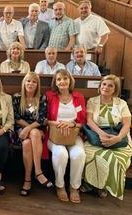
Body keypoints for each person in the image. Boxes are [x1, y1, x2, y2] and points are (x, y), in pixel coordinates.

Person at [82, 75, 132, 200]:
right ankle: (90, 183)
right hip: (97, 135)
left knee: (114, 159)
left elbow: (127, 124)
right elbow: (89, 121)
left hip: (119, 137)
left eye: (110, 85)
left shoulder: (122, 104)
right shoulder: (92, 101)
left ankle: (103, 185)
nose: (106, 87)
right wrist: (101, 134)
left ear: (115, 89)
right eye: (104, 84)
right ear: (100, 86)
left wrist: (118, 138)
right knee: (90, 154)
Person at [46, 69, 86, 203]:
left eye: (65, 78)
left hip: (74, 135)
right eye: (59, 79)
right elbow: (43, 119)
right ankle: (60, 185)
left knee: (79, 154)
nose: (62, 81)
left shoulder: (78, 97)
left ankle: (74, 187)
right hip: (55, 136)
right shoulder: (50, 96)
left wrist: (72, 124)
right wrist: (58, 123)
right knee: (61, 154)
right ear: (55, 82)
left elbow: (83, 121)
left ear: (70, 80)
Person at [12, 72, 53, 196]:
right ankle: (35, 174)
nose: (30, 84)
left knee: (33, 135)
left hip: (36, 129)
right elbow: (16, 118)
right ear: (24, 82)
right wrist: (26, 129)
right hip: (20, 131)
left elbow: (41, 119)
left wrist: (28, 129)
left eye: (34, 82)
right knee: (26, 143)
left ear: (37, 85)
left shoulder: (42, 98)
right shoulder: (17, 97)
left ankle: (29, 178)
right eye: (28, 81)